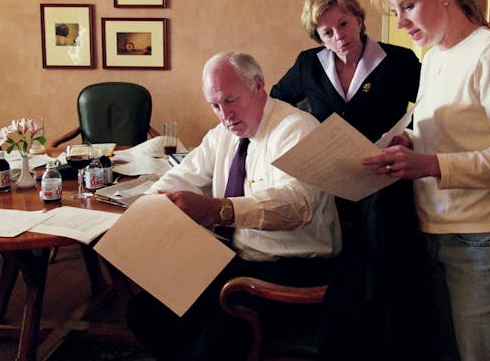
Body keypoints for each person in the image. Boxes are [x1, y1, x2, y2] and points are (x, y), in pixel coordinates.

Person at [363, 0, 490, 360]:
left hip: (487, 239)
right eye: (396, 11)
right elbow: (454, 133)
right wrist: (411, 142)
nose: (402, 22)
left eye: (409, 6)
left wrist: (429, 164)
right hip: (434, 230)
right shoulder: (434, 58)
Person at [126, 52, 341, 360]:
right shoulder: (222, 135)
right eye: (215, 105)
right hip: (238, 260)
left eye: (231, 100)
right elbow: (182, 176)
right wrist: (152, 204)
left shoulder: (296, 129)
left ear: (258, 87)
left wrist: (218, 209)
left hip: (293, 270)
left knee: (206, 340)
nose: (225, 114)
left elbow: (296, 205)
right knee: (144, 310)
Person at [270, 0, 425, 359]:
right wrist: (298, 136)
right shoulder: (308, 64)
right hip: (330, 173)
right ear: (317, 36)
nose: (339, 37)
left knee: (381, 229)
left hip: (385, 173)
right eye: (327, 31)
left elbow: (432, 105)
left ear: (359, 19)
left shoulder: (399, 60)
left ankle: (380, 327)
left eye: (343, 24)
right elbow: (276, 102)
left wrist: (409, 136)